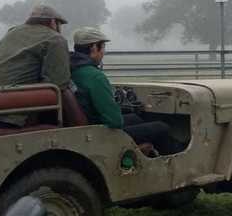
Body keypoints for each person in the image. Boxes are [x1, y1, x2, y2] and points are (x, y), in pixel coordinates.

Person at [69, 26, 178, 154]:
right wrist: (116, 109)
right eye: (103, 47)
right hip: (99, 131)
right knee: (162, 128)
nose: (103, 52)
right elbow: (114, 121)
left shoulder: (72, 70)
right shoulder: (95, 76)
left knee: (135, 118)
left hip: (88, 125)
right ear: (93, 48)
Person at [0, 3, 71, 128]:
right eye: (60, 25)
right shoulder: (55, 39)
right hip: (4, 109)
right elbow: (59, 83)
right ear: (53, 22)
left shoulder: (13, 32)